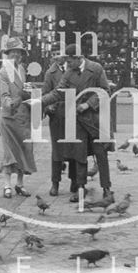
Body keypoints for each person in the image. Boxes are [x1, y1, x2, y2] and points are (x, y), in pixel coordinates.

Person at [34, 43, 114, 203]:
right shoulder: (69, 73)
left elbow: (105, 90)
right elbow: (57, 92)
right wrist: (39, 101)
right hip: (78, 120)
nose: (67, 65)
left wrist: (88, 104)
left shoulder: (96, 69)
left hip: (96, 119)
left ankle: (107, 189)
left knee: (101, 154)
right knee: (80, 154)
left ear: (78, 58)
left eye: (69, 61)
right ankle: (80, 188)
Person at [0, 37, 36, 199]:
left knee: (24, 150)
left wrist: (30, 93)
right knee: (9, 152)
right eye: (13, 52)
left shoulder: (21, 69)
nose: (16, 55)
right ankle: (7, 185)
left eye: (19, 52)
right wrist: (17, 100)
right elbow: (4, 97)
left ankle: (20, 184)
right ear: (7, 54)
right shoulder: (3, 72)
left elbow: (23, 89)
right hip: (10, 117)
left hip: (23, 117)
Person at [42, 42, 75, 197]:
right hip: (57, 117)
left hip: (73, 115)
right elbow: (45, 94)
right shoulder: (50, 73)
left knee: (75, 148)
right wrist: (49, 108)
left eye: (60, 54)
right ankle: (55, 183)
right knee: (57, 151)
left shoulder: (74, 69)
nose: (58, 57)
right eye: (55, 54)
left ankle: (75, 182)